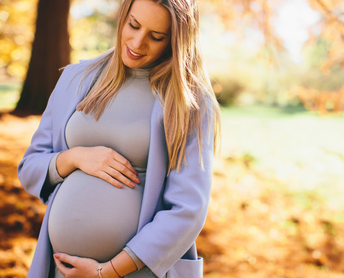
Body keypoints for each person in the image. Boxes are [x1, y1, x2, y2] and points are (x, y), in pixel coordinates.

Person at [17, 0, 221, 277]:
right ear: (123, 16)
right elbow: (29, 167)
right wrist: (74, 158)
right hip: (61, 270)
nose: (137, 43)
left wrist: (107, 271)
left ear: (175, 41)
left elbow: (188, 210)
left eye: (156, 36)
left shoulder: (189, 103)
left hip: (139, 272)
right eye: (133, 25)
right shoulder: (75, 79)